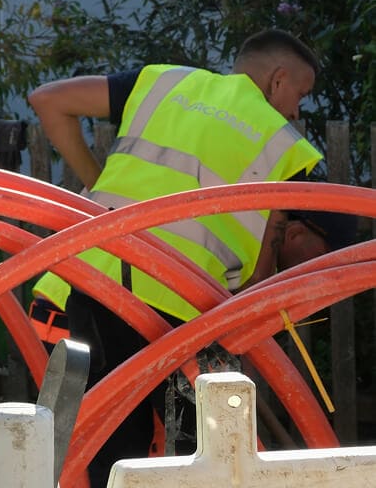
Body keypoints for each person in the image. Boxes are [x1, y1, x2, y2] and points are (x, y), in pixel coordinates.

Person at [27, 29, 352, 486]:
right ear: (278, 80)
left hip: (87, 283)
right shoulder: (282, 143)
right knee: (183, 455)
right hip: (179, 314)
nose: (297, 110)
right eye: (300, 93)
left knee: (92, 444)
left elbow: (48, 99)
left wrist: (98, 191)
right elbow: (261, 266)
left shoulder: (162, 83)